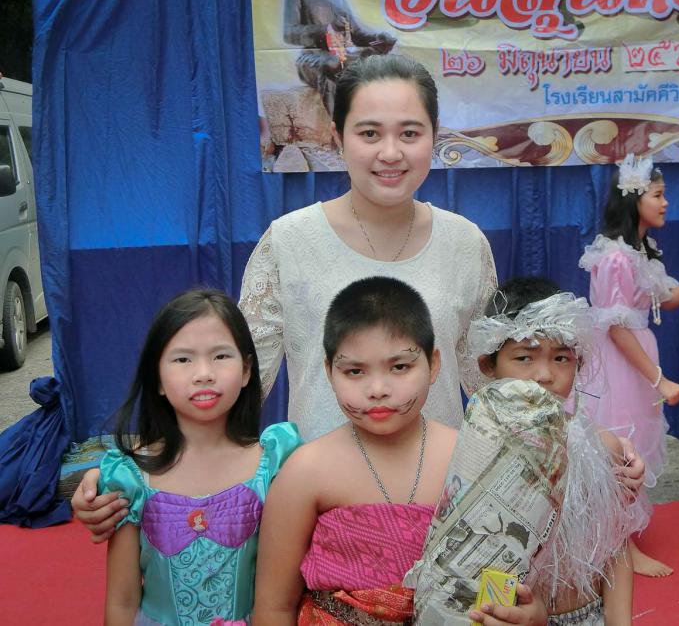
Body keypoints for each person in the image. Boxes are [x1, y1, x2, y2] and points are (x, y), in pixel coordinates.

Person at [71, 53, 497, 539]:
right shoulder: (290, 242)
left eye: (410, 133)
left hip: (441, 508)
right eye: (369, 133)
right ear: (337, 137)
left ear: (434, 137)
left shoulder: (465, 244)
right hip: (321, 510)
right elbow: (231, 383)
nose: (390, 152)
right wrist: (131, 470)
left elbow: (492, 388)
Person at [252, 276, 548, 625]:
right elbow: (274, 607)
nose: (378, 388)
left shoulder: (479, 459)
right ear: (330, 371)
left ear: (433, 364)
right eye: (355, 371)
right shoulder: (306, 470)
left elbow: (516, 584)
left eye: (400, 367)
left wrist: (531, 615)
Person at [99, 289, 302, 625]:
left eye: (221, 356)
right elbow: (122, 601)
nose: (204, 373)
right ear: (157, 379)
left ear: (247, 370)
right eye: (183, 360)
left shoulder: (273, 465)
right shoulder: (130, 476)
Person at [578, 154, 679, 577]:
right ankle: (618, 549)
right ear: (634, 199)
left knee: (632, 448)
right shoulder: (615, 258)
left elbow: (663, 299)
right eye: (658, 195)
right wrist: (660, 379)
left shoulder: (638, 252)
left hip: (635, 359)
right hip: (621, 365)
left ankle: (619, 540)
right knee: (620, 449)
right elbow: (617, 329)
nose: (666, 203)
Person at [468, 276, 644, 626]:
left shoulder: (601, 449)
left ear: (579, 363)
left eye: (561, 358)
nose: (544, 375)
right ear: (489, 365)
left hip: (587, 614)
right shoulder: (475, 453)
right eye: (524, 357)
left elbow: (614, 545)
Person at [283, 0, 395, 117]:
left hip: (343, 56)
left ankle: (374, 115)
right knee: (333, 63)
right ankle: (338, 123)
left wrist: (378, 40)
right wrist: (327, 28)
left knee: (374, 58)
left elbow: (356, 35)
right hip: (313, 57)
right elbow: (289, 33)